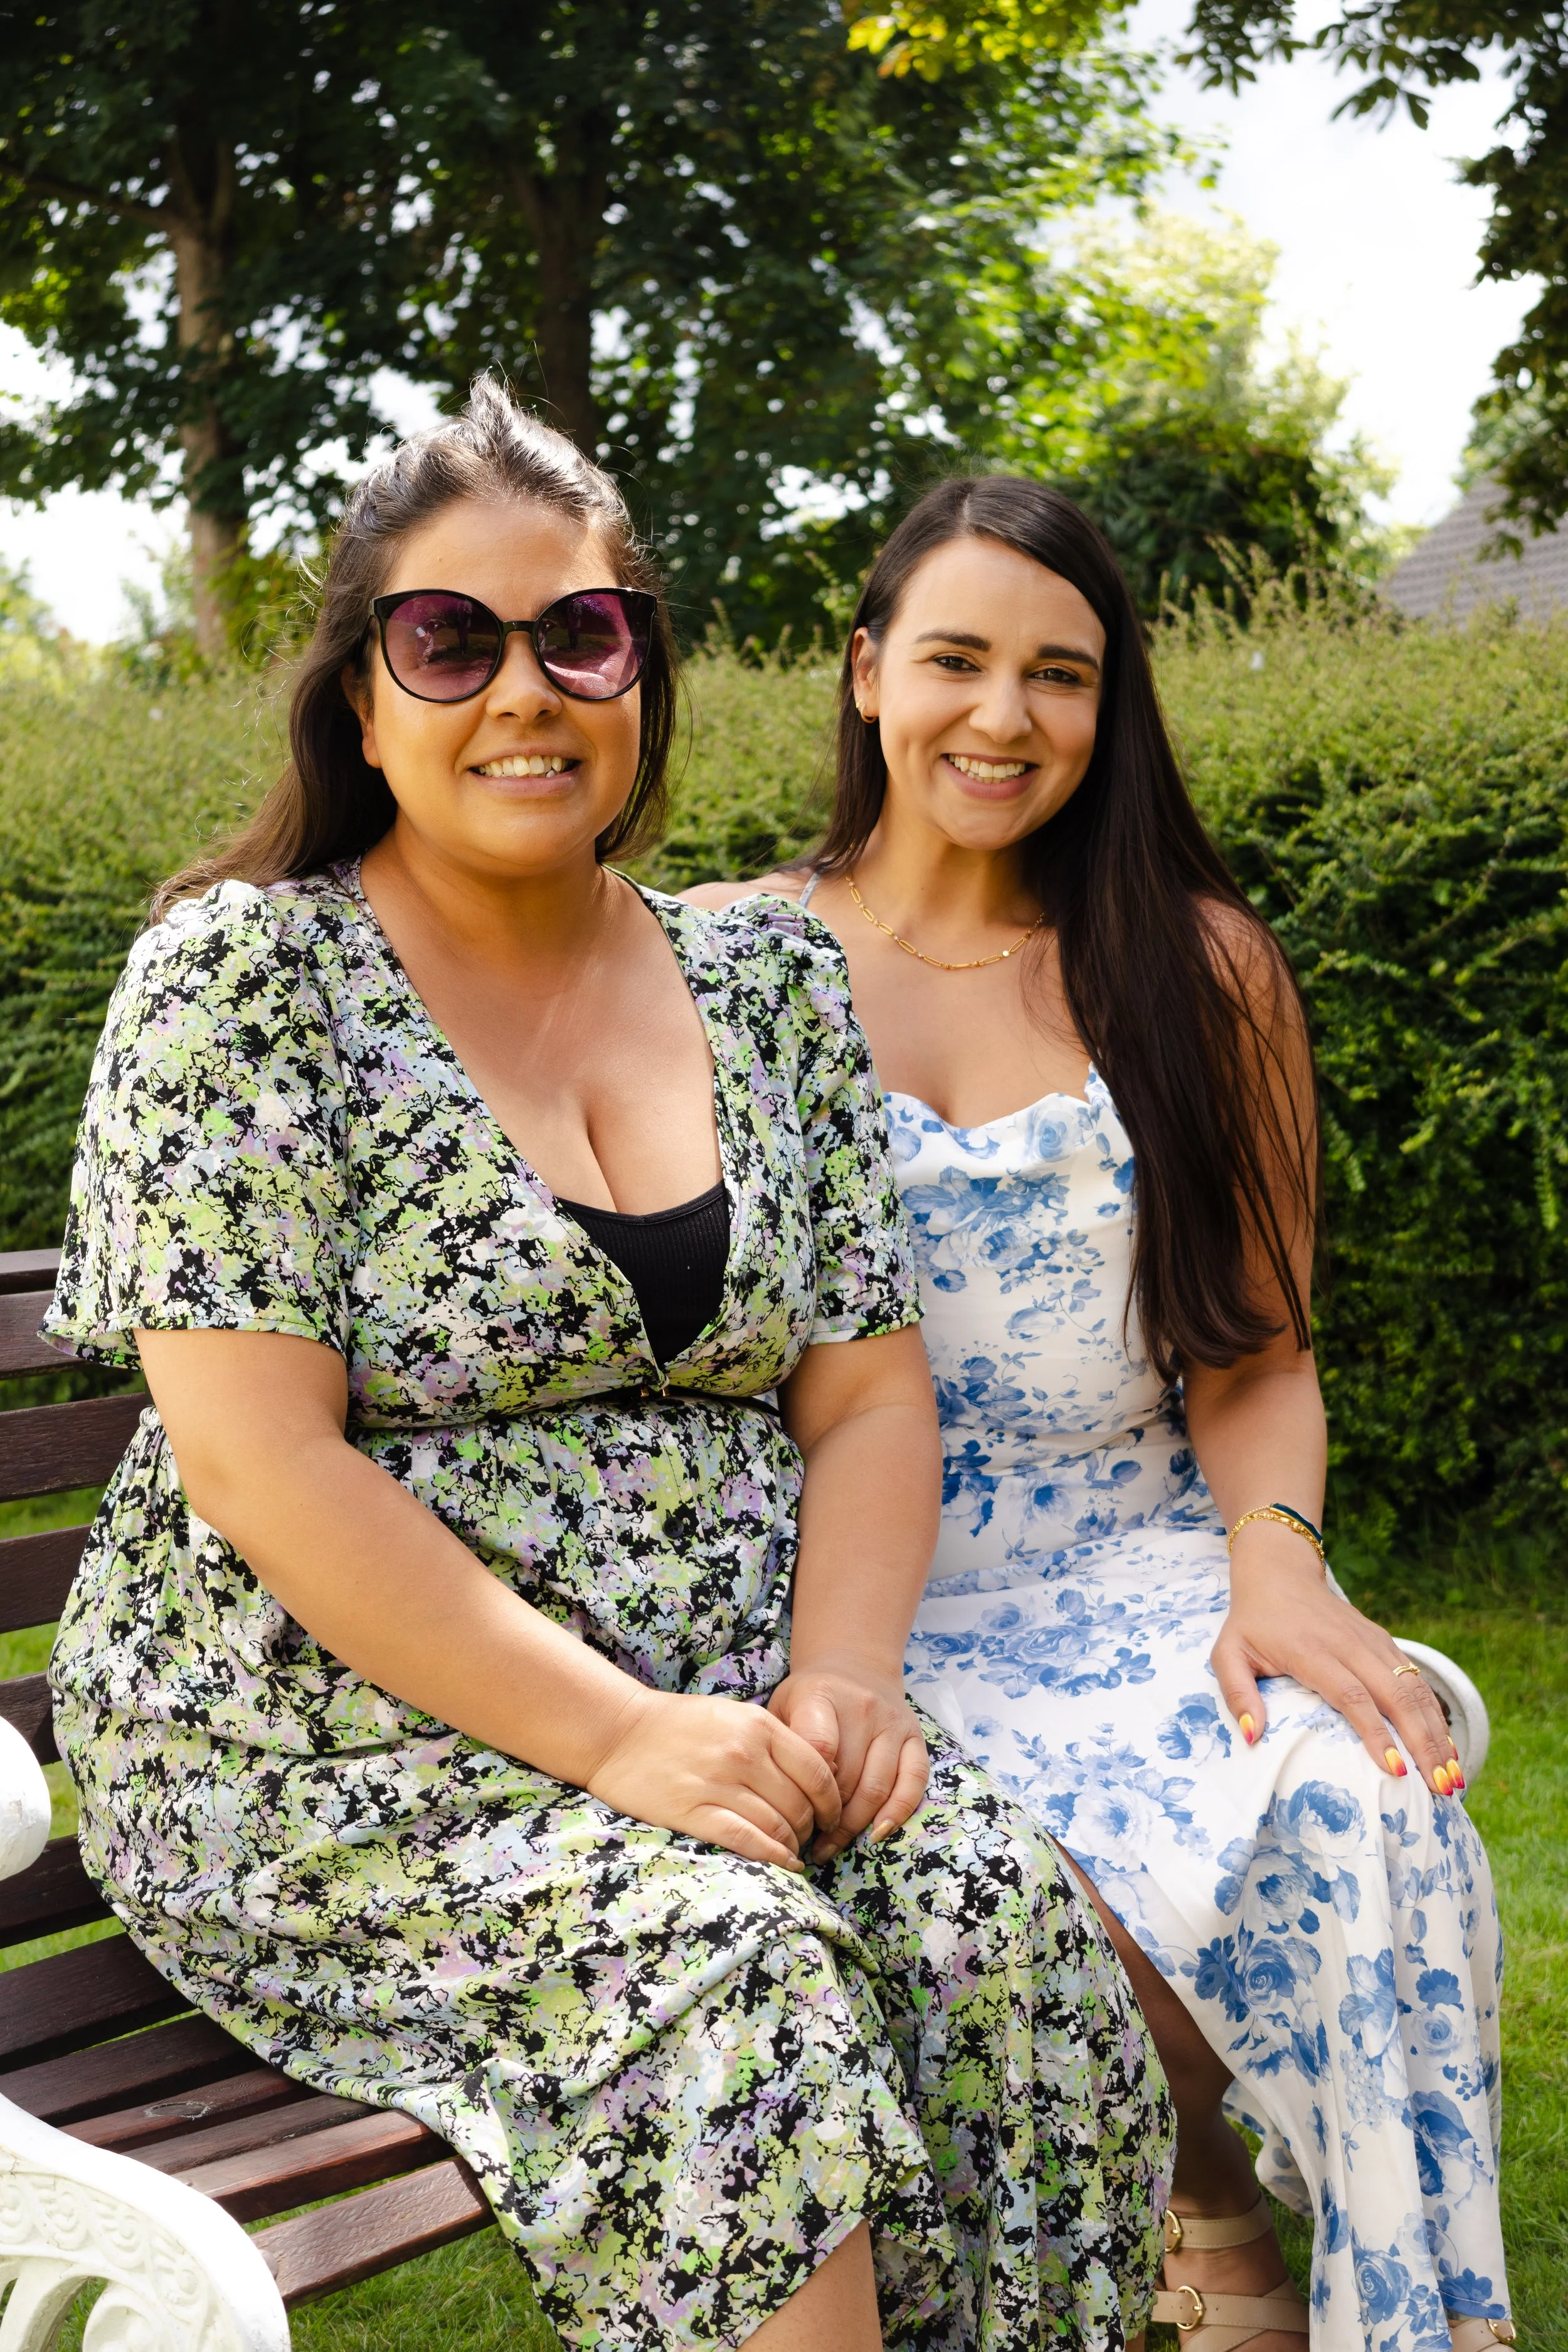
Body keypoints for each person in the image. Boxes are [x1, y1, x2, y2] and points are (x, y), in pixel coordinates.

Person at [42, 393, 1172, 2352]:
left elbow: (863, 1390)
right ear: (364, 694)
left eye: (578, 634)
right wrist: (620, 1741)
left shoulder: (764, 978)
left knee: (989, 1922)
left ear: (639, 662)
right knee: (726, 1981)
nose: (522, 691)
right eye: (448, 641)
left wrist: (838, 1678)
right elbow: (255, 1463)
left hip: (722, 1711)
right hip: (326, 1755)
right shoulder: (240, 983)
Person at [688, 476, 1512, 2352]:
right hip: (857, 1597)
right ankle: (1194, 2200)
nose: (1001, 716)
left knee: (1361, 1795)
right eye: (957, 658)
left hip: (1140, 1558)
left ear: (1108, 703)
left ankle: (1407, 2317)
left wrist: (1275, 1566)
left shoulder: (1199, 966)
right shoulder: (724, 957)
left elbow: (1254, 1350)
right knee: (1004, 1891)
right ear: (864, 668)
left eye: (1057, 674)